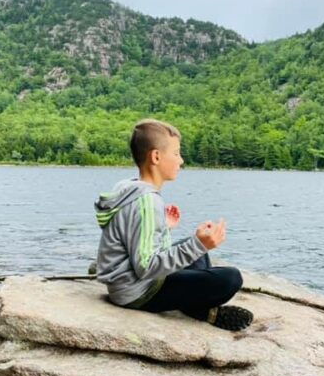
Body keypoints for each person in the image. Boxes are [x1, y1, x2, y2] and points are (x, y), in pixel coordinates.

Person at [94, 118, 253, 331]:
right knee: (231, 278)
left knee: (196, 253)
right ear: (156, 156)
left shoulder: (129, 188)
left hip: (129, 285)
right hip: (139, 292)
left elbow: (132, 236)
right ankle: (201, 310)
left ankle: (193, 302)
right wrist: (199, 244)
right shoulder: (147, 202)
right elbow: (146, 267)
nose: (182, 161)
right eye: (176, 153)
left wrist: (164, 226)